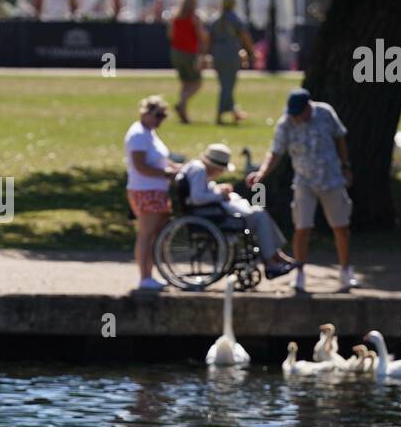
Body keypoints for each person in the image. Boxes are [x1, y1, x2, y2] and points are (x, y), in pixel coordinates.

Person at [246, 88, 357, 293]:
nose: (296, 118)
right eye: (293, 114)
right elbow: (276, 152)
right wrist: (261, 173)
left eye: (299, 113)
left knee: (340, 227)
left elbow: (340, 137)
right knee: (302, 228)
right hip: (304, 182)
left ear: (309, 107)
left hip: (331, 178)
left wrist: (345, 166)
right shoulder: (286, 122)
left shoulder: (325, 113)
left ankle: (345, 270)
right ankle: (300, 272)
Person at [180, 143, 297, 278]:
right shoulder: (199, 170)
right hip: (212, 215)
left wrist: (218, 189)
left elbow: (201, 192)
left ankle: (274, 256)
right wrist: (221, 195)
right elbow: (197, 198)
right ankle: (272, 260)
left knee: (259, 213)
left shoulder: (197, 168)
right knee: (260, 215)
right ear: (216, 167)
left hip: (211, 212)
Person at [125, 94, 182, 291]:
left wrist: (175, 167)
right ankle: (144, 278)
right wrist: (166, 173)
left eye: (163, 116)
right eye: (158, 115)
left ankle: (151, 275)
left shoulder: (149, 132)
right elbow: (140, 165)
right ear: (147, 113)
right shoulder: (138, 134)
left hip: (155, 190)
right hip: (145, 190)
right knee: (146, 235)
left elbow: (159, 159)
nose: (161, 120)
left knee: (155, 236)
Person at [208, 0, 255, 125]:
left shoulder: (215, 19)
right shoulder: (236, 19)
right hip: (231, 54)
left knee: (225, 84)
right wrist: (251, 52)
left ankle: (235, 113)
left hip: (218, 54)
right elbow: (245, 37)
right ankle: (219, 115)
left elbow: (209, 39)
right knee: (228, 86)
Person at [169, 0, 208, 124]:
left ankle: (184, 115)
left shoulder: (175, 16)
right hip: (189, 53)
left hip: (176, 52)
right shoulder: (195, 18)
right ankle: (181, 103)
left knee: (185, 83)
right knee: (196, 83)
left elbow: (170, 35)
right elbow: (201, 36)